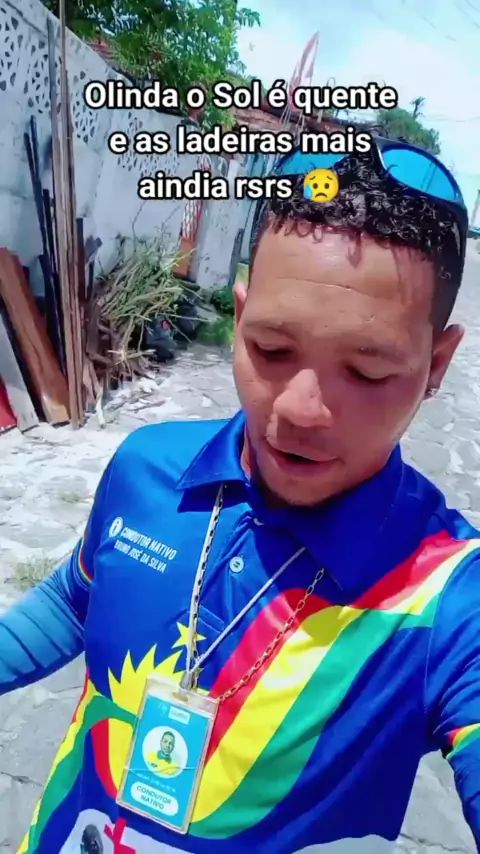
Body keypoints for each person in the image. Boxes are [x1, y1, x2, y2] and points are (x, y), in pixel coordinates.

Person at [2, 140, 479, 854]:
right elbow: (77, 598)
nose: (300, 410)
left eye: (368, 372)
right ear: (240, 311)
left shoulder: (447, 600)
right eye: (272, 350)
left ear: (436, 363)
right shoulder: (148, 467)